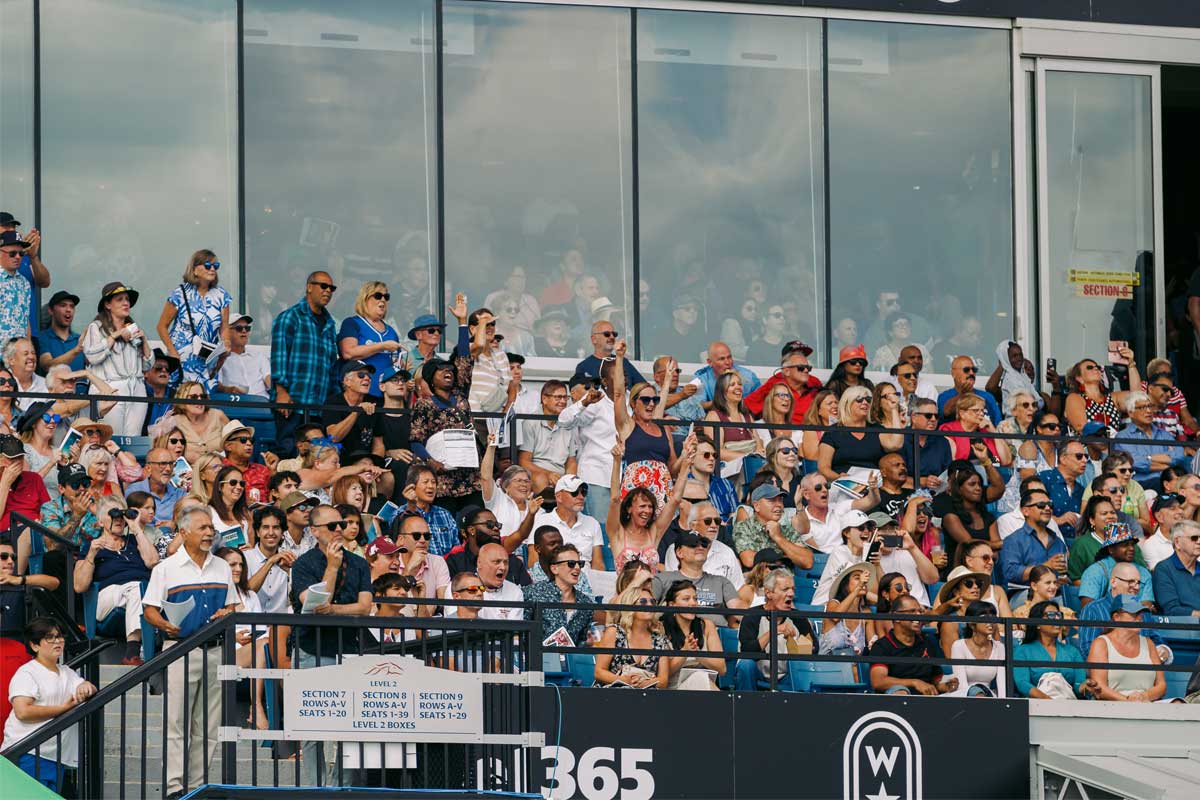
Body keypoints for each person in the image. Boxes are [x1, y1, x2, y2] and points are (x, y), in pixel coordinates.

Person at [141, 505, 238, 799]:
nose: (209, 533)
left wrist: (227, 613)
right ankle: (174, 787)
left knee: (208, 724)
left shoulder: (222, 566)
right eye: (203, 528)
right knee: (177, 721)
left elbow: (232, 605)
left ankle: (197, 785)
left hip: (215, 649)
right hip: (180, 649)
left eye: (211, 528)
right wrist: (166, 625)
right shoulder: (165, 568)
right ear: (183, 533)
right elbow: (149, 611)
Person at [288, 504, 373, 787]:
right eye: (332, 526)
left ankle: (342, 787)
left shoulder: (359, 562)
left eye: (342, 524)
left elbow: (364, 607)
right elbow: (312, 603)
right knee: (313, 728)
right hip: (312, 649)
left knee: (349, 726)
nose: (339, 529)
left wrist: (335, 610)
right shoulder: (304, 564)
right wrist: (333, 567)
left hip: (349, 650)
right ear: (314, 531)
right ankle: (315, 788)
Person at [1, 618, 97, 791]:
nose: (57, 641)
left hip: (55, 756)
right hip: (28, 752)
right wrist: (63, 710)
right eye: (49, 638)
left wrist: (86, 686)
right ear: (35, 645)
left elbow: (84, 687)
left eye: (59, 636)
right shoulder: (27, 673)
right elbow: (23, 711)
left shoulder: (67, 672)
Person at [73, 495, 158, 664]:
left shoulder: (134, 541)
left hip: (139, 594)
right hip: (105, 599)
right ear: (100, 521)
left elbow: (152, 561)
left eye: (121, 515)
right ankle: (134, 650)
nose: (118, 519)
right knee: (136, 588)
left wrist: (136, 528)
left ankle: (134, 652)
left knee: (138, 589)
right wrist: (91, 555)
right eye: (113, 514)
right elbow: (79, 586)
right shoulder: (92, 546)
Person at [271, 271, 339, 455]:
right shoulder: (290, 317)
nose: (328, 291)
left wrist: (335, 399)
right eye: (323, 286)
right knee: (288, 451)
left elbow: (332, 365)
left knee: (316, 456)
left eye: (331, 288)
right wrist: (281, 391)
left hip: (319, 404)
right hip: (293, 401)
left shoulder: (330, 324)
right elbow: (279, 355)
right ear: (309, 287)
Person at [606, 438, 692, 572]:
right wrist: (617, 461)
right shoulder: (617, 532)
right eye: (642, 506)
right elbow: (615, 499)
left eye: (650, 507)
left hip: (652, 591)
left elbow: (675, 500)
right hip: (626, 592)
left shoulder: (653, 532)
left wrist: (686, 463)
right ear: (629, 508)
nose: (647, 511)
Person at [82, 282, 153, 436]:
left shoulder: (133, 327)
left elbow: (148, 366)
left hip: (137, 389)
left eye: (127, 299)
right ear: (108, 304)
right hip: (110, 388)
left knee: (132, 438)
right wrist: (116, 334)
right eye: (119, 299)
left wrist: (144, 340)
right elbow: (92, 356)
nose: (126, 303)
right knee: (109, 437)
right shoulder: (96, 327)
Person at [156, 249, 231, 388]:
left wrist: (226, 342)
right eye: (208, 265)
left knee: (203, 403)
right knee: (180, 403)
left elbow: (224, 327)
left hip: (207, 362)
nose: (212, 269)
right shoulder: (180, 293)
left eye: (216, 266)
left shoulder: (222, 295)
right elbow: (161, 326)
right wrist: (172, 352)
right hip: (182, 360)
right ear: (195, 270)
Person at [613, 341, 679, 498]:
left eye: (654, 400)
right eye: (645, 400)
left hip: (663, 494)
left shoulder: (661, 428)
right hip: (636, 495)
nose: (651, 404)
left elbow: (673, 468)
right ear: (634, 403)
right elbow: (618, 394)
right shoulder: (627, 425)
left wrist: (686, 456)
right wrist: (619, 357)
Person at [558, 365, 618, 522]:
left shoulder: (614, 403)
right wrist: (585, 402)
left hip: (619, 475)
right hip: (597, 476)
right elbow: (563, 420)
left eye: (595, 385)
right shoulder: (591, 406)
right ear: (573, 392)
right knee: (601, 529)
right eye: (587, 386)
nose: (592, 389)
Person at [868, 594, 959, 695]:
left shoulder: (927, 642)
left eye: (920, 611)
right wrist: (914, 683)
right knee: (900, 692)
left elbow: (935, 679)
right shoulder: (882, 646)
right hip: (896, 702)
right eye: (912, 611)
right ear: (897, 617)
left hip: (927, 699)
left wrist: (944, 685)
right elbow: (878, 681)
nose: (918, 616)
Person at [651, 531, 743, 627]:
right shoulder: (662, 579)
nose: (700, 547)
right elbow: (644, 608)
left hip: (719, 635)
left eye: (704, 544)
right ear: (679, 552)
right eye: (692, 544)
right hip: (676, 635)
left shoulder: (721, 581)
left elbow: (737, 607)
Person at [1086, 595, 1166, 702]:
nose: (1139, 618)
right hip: (1114, 707)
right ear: (1116, 617)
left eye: (1140, 614)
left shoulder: (1149, 643)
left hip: (1146, 705)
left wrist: (1143, 696)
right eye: (1134, 614)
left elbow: (1161, 685)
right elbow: (1100, 688)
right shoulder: (1101, 644)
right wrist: (1128, 700)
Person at [817, 386, 903, 481]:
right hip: (844, 485)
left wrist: (894, 409)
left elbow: (896, 444)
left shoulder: (876, 429)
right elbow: (823, 468)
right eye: (859, 399)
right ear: (847, 404)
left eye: (868, 399)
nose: (865, 402)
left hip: (873, 485)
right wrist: (839, 478)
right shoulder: (833, 432)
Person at [594, 584, 672, 689]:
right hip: (613, 693)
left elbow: (663, 680)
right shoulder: (614, 632)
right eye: (643, 601)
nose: (650, 605)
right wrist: (625, 681)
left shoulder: (660, 640)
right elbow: (599, 672)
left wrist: (646, 683)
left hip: (646, 695)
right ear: (630, 605)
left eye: (652, 602)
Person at [1012, 601, 1092, 699]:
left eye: (1059, 615)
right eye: (1051, 615)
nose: (1057, 618)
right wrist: (1047, 700)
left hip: (1068, 703)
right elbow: (1022, 684)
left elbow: (1078, 685)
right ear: (1037, 623)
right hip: (1036, 706)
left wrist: (1086, 687)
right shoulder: (1022, 651)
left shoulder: (1072, 651)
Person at [337, 281, 403, 395]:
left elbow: (395, 365)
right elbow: (348, 353)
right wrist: (382, 346)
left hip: (386, 397)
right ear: (365, 298)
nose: (382, 300)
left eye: (386, 297)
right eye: (378, 296)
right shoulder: (353, 323)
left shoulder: (392, 332)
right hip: (359, 395)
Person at [661, 579, 727, 690]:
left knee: (699, 677)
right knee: (699, 677)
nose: (693, 603)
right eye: (686, 599)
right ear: (672, 604)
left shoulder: (706, 625)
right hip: (674, 689)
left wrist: (698, 655)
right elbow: (661, 673)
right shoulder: (661, 628)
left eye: (695, 599)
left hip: (703, 686)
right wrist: (685, 652)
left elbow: (722, 668)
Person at [1114, 391, 1189, 488]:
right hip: (1141, 485)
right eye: (1142, 407)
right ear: (1131, 413)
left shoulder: (1164, 434)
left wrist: (1147, 457)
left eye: (1150, 406)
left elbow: (1179, 455)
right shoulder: (1123, 436)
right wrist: (1167, 466)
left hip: (1169, 485)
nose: (1149, 411)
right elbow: (1134, 462)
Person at [522, 543, 594, 643]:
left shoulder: (586, 603)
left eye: (580, 563)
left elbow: (581, 642)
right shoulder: (533, 593)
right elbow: (520, 633)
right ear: (554, 568)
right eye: (571, 563)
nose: (577, 567)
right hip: (537, 657)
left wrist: (587, 643)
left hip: (570, 657)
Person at [1068, 490, 1144, 583]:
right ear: (1092, 520)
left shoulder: (1129, 542)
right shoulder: (1082, 545)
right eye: (1104, 514)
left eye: (1112, 512)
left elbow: (1143, 572)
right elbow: (1076, 579)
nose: (1110, 516)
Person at [532, 474, 604, 570]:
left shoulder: (592, 523)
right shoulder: (542, 521)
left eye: (583, 492)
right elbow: (533, 561)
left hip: (587, 581)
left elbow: (598, 564)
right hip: (555, 579)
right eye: (574, 493)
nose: (581, 497)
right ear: (559, 497)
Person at [998, 488, 1068, 588]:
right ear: (1026, 511)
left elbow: (1064, 574)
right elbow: (1010, 573)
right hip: (1025, 593)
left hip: (1056, 593)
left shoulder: (1058, 542)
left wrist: (1062, 580)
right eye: (1041, 505)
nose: (1047, 508)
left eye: (1050, 505)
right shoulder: (1013, 540)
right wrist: (1045, 566)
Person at [733, 483, 813, 570]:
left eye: (780, 500)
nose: (779, 505)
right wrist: (788, 555)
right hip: (759, 580)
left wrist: (778, 537)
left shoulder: (786, 528)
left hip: (786, 580)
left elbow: (807, 562)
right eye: (771, 501)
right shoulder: (744, 527)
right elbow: (749, 560)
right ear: (756, 506)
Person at [445, 507, 532, 587]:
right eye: (489, 524)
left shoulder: (513, 562)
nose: (496, 528)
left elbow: (528, 595)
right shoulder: (454, 562)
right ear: (472, 530)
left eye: (497, 525)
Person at [1064, 351, 1140, 436]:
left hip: (1114, 447)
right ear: (1079, 378)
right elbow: (1081, 427)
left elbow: (1137, 399)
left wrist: (1131, 365)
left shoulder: (1112, 397)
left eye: (1098, 367)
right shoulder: (1074, 398)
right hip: (1087, 447)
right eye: (1090, 367)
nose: (1096, 368)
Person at [518, 380, 575, 492]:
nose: (563, 401)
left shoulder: (568, 423)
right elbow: (524, 461)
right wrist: (548, 474)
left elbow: (571, 461)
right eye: (558, 397)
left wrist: (569, 480)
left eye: (565, 397)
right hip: (537, 473)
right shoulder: (531, 422)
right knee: (540, 479)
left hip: (561, 475)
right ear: (544, 399)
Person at [744, 342, 823, 421]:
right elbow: (747, 406)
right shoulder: (774, 383)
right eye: (800, 367)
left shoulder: (814, 381)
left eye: (804, 355)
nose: (805, 370)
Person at [1079, 523, 1154, 607]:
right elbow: (1088, 609)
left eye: (1132, 544)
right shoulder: (1094, 572)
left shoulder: (1144, 573)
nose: (1131, 548)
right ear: (1111, 549)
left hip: (1136, 618)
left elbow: (1146, 607)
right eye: (1125, 545)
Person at [942, 469, 1000, 565]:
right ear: (960, 489)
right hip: (958, 571)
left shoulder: (988, 517)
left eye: (979, 484)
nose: (978, 488)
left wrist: (994, 548)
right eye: (972, 484)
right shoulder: (951, 516)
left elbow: (995, 554)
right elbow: (968, 543)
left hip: (984, 569)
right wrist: (996, 545)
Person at [162, 381, 230, 464]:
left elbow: (236, 441)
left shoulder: (218, 415)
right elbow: (161, 448)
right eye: (194, 397)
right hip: (187, 473)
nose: (200, 400)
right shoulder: (174, 421)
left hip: (219, 471)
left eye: (203, 396)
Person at [397, 466, 458, 557]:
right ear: (412, 487)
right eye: (425, 482)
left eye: (433, 482)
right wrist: (411, 506)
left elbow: (456, 548)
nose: (431, 486)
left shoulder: (444, 514)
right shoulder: (400, 513)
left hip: (446, 568)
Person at [950, 601, 1007, 697]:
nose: (990, 622)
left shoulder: (1000, 648)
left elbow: (1002, 685)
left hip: (988, 696)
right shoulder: (959, 646)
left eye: (993, 617)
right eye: (984, 617)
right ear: (972, 624)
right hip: (964, 697)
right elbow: (961, 685)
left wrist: (1004, 706)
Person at [933, 565, 990, 656]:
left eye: (978, 583)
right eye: (969, 584)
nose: (975, 587)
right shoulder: (950, 623)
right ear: (956, 592)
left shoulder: (986, 616)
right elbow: (952, 658)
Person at [939, 393, 1012, 465]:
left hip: (992, 472)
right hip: (965, 473)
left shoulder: (986, 431)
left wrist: (994, 432)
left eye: (982, 410)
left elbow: (1006, 461)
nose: (981, 414)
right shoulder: (949, 430)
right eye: (976, 410)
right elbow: (950, 462)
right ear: (962, 413)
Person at [820, 562, 876, 655]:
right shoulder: (833, 604)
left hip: (855, 668)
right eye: (857, 578)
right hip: (828, 667)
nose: (863, 582)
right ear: (845, 584)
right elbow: (835, 617)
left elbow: (873, 646)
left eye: (863, 580)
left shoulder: (866, 613)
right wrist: (857, 588)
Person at [393, 512, 451, 600]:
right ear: (401, 539)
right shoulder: (391, 562)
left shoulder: (437, 562)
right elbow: (391, 601)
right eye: (416, 536)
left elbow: (444, 602)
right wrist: (408, 569)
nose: (423, 540)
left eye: (427, 536)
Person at [1039, 440, 1090, 539]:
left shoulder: (1081, 489)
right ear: (1063, 459)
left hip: (1074, 546)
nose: (1084, 460)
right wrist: (1057, 520)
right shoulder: (1045, 478)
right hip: (1047, 543)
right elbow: (1030, 512)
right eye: (1079, 456)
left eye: (1086, 456)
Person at [1, 435, 50, 535]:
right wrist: (5, 484)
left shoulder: (34, 478)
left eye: (20, 457)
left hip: (34, 531)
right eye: (12, 458)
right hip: (5, 535)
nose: (18, 462)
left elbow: (48, 510)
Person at [576, 319, 644, 388]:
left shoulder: (623, 362)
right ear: (594, 339)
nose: (612, 337)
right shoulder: (583, 367)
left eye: (614, 334)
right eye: (607, 334)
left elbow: (644, 388)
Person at [1152, 519, 1200, 617]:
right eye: (1194, 538)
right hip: (1180, 629)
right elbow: (1171, 610)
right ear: (1177, 542)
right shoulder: (1164, 569)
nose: (1199, 541)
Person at [902, 397, 954, 487]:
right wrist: (921, 481)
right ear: (914, 417)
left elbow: (948, 473)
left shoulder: (942, 442)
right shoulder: (900, 439)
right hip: (904, 492)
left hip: (935, 493)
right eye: (928, 415)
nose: (933, 419)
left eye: (936, 416)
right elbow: (892, 476)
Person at [216, 314, 271, 396]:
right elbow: (216, 385)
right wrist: (229, 390)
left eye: (247, 328)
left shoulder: (259, 356)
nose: (244, 331)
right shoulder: (220, 358)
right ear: (226, 332)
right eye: (239, 328)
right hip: (237, 404)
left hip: (264, 403)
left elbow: (269, 378)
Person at [937, 356, 1002, 425]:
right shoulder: (945, 396)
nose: (971, 373)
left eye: (974, 370)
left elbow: (998, 425)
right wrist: (963, 394)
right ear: (953, 374)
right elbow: (946, 412)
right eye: (966, 370)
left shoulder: (988, 397)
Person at [985, 340, 1042, 414]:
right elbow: (1024, 404)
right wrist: (1035, 404)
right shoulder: (1009, 379)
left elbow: (1039, 402)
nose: (1019, 358)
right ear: (1006, 358)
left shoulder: (1024, 377)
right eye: (1014, 356)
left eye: (1020, 355)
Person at [474, 541, 526, 620]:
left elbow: (514, 629)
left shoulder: (515, 591)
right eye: (497, 562)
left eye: (506, 562)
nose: (503, 567)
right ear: (479, 563)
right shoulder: (462, 587)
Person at [36, 290, 85, 373]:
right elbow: (47, 366)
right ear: (51, 311)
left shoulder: (80, 339)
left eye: (72, 306)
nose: (68, 310)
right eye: (63, 305)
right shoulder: (43, 338)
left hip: (81, 386)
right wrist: (76, 350)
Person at [220, 421, 270, 502]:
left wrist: (273, 471)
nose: (249, 443)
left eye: (251, 440)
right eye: (243, 440)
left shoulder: (263, 470)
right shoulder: (218, 470)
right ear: (228, 446)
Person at [209, 465, 254, 551]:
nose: (239, 487)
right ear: (219, 486)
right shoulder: (208, 513)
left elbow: (251, 545)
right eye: (233, 482)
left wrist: (250, 548)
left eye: (242, 483)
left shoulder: (245, 514)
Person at [0, 231, 33, 344]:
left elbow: (25, 321)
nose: (18, 257)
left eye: (21, 253)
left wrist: (29, 347)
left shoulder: (25, 283)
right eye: (13, 253)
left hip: (18, 357)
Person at [1140, 492, 1186, 570]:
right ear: (1159, 517)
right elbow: (1162, 575)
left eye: (1180, 507)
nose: (1180, 511)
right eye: (1172, 508)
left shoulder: (1193, 537)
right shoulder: (1151, 545)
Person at [144, 348, 180, 432]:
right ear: (146, 372)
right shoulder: (139, 393)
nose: (164, 370)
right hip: (142, 443)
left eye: (167, 369)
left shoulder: (177, 396)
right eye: (158, 368)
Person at [755, 382, 800, 447]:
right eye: (781, 395)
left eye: (788, 396)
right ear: (770, 399)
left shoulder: (797, 430)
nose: (787, 399)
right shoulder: (758, 426)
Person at [278, 491, 318, 556]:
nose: (308, 510)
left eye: (309, 507)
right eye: (302, 507)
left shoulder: (312, 533)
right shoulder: (277, 538)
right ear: (287, 515)